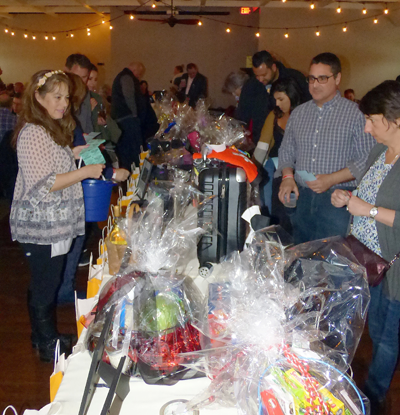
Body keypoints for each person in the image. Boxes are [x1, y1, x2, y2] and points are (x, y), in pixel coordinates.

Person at [9, 69, 104, 361]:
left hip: (54, 222)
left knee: (45, 281)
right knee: (45, 284)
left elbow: (50, 163)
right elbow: (44, 183)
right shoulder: (33, 132)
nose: (64, 104)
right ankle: (47, 343)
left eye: (66, 97)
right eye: (57, 97)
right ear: (38, 97)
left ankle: (42, 337)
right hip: (41, 224)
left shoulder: (49, 127)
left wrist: (73, 152)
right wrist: (85, 172)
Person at [331, 80, 400, 412]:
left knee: (387, 337)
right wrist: (347, 197)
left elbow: (375, 208)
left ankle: (374, 396)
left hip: (394, 267)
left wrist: (369, 210)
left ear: (395, 119)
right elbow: (367, 192)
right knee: (371, 326)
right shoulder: (378, 152)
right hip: (366, 259)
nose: (366, 128)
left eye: (372, 120)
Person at [277, 52, 375, 245]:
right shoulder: (299, 113)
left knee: (334, 255)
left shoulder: (356, 113)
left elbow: (366, 160)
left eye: (322, 78)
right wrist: (287, 177)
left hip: (337, 198)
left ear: (337, 79)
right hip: (302, 196)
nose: (315, 84)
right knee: (300, 251)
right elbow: (286, 150)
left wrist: (331, 179)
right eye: (311, 78)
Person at [256, 78, 303, 233]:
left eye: (281, 99)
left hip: (301, 170)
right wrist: (253, 168)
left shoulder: (305, 115)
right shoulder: (274, 115)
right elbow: (263, 146)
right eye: (275, 99)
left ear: (292, 96)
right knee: (275, 209)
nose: (277, 104)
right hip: (277, 168)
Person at [236, 50, 311, 145]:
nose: (260, 79)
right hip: (261, 140)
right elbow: (242, 115)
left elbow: (309, 106)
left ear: (274, 67)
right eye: (257, 75)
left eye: (264, 75)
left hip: (290, 139)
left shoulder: (295, 78)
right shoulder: (251, 86)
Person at [111, 61, 146, 170]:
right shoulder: (127, 77)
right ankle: (134, 174)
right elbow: (129, 96)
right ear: (134, 70)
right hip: (127, 119)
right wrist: (135, 115)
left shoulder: (121, 76)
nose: (139, 77)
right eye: (139, 74)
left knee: (127, 151)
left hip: (122, 118)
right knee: (133, 151)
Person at [64, 53, 93, 133]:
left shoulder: (86, 93)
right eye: (76, 76)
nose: (79, 81)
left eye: (84, 77)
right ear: (65, 70)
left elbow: (88, 124)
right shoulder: (59, 91)